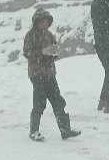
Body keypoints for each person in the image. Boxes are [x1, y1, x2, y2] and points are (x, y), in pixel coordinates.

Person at [22, 8, 81, 141]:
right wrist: (42, 52)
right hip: (37, 74)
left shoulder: (49, 35)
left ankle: (65, 130)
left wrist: (53, 53)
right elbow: (27, 53)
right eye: (42, 21)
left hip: (49, 73)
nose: (44, 23)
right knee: (39, 103)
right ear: (36, 22)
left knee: (58, 102)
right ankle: (34, 131)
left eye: (46, 21)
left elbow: (55, 51)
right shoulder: (30, 35)